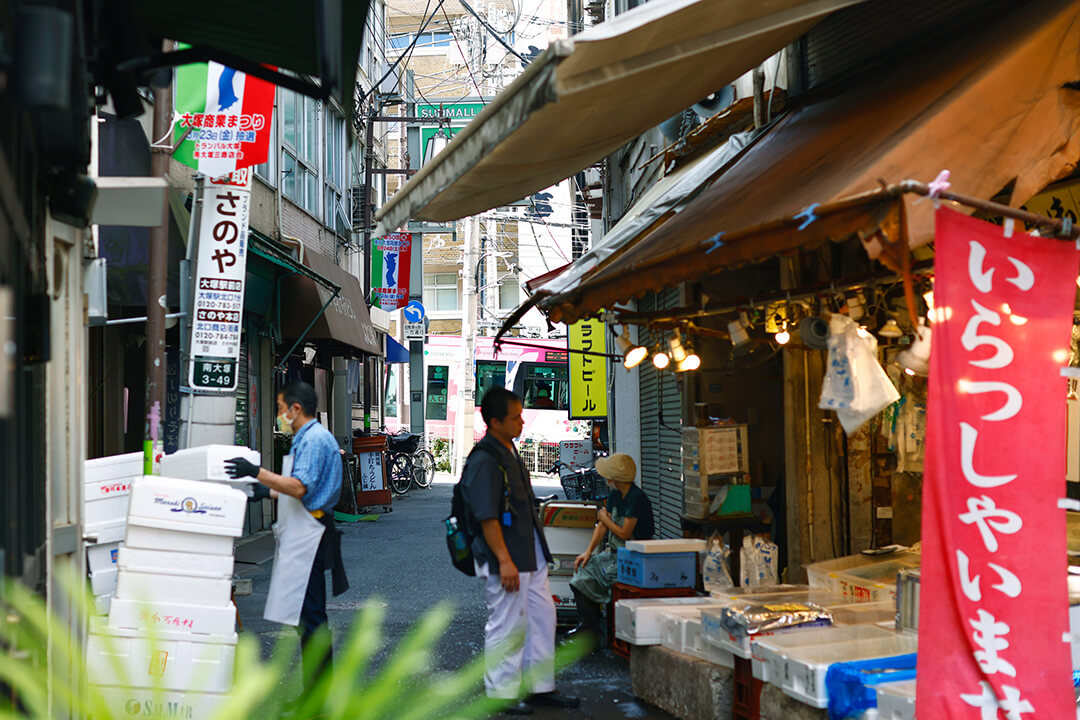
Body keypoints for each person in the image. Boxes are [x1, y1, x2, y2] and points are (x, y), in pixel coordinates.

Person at [460, 388, 579, 715]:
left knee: (542, 618)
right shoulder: (485, 459)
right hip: (507, 556)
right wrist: (504, 560)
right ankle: (500, 692)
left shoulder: (506, 449)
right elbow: (486, 516)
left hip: (530, 553)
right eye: (515, 417)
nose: (521, 422)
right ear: (495, 421)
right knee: (507, 623)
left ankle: (540, 686)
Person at [225, 380, 348, 693]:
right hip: (308, 530)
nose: (279, 416)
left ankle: (318, 696)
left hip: (311, 533)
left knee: (311, 617)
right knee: (307, 615)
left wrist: (257, 473)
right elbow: (301, 487)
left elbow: (299, 487)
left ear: (296, 409)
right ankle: (316, 691)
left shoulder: (314, 440)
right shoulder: (310, 437)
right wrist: (267, 492)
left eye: (280, 409)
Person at [568, 453, 654, 647]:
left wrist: (605, 519)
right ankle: (588, 628)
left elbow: (624, 533)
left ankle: (591, 633)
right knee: (580, 573)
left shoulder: (636, 498)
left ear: (613, 478)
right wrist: (588, 551)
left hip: (633, 558)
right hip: (614, 554)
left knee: (590, 578)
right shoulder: (616, 495)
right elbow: (602, 525)